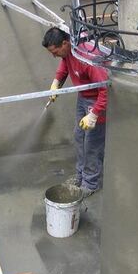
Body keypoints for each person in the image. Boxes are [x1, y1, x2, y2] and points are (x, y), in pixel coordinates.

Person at [42, 27, 108, 198]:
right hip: (83, 96)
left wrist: (94, 115)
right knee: (80, 137)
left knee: (92, 144)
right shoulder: (69, 50)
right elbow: (65, 63)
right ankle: (80, 175)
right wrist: (56, 82)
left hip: (96, 101)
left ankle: (91, 183)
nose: (54, 55)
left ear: (65, 43)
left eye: (55, 51)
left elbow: (105, 89)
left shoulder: (88, 59)